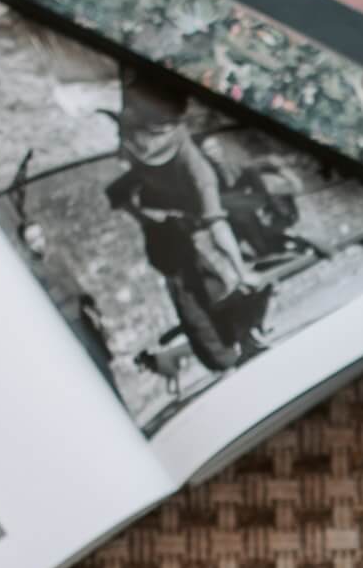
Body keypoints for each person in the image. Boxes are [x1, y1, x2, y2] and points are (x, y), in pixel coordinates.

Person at [104, 80, 271, 372]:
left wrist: (239, 270)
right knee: (190, 293)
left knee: (212, 286)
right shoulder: (141, 127)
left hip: (190, 227)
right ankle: (226, 352)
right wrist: (146, 215)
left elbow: (217, 225)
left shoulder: (198, 169)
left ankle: (239, 340)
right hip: (168, 231)